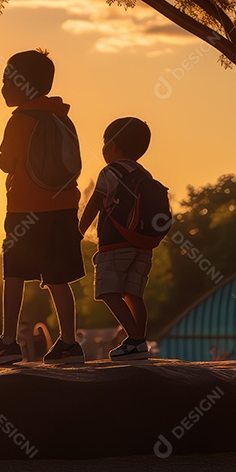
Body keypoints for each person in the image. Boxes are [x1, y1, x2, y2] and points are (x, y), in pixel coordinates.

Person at [0, 49, 86, 366]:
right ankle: (70, 343)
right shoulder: (62, 116)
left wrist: (3, 161)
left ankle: (8, 342)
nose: (2, 87)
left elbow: (8, 162)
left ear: (20, 83)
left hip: (25, 208)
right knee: (59, 278)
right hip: (64, 207)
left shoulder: (20, 120)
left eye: (6, 80)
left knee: (15, 274)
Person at [78, 117, 157, 360]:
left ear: (112, 146)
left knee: (108, 291)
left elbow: (93, 205)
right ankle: (137, 343)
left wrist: (78, 232)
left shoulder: (110, 172)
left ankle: (135, 339)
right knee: (134, 293)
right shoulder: (144, 174)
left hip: (115, 243)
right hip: (143, 244)